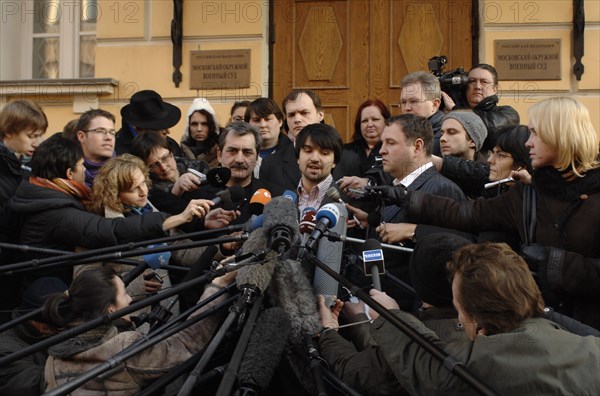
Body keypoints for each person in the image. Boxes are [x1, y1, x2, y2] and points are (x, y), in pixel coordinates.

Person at [367, 97, 600, 329]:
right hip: (543, 327)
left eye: (536, 133)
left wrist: (556, 263)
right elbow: (466, 213)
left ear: (560, 134)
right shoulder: (528, 193)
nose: (528, 143)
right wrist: (407, 198)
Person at [363, 243, 600, 395]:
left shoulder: (487, 361)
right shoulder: (590, 347)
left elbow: (429, 369)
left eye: (459, 307)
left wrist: (389, 316)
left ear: (475, 317)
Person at [7, 135, 212, 285]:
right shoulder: (64, 212)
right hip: (123, 318)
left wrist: (221, 249)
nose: (143, 193)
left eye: (144, 184)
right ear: (115, 193)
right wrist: (133, 285)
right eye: (81, 165)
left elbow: (181, 248)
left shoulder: (147, 206)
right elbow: (108, 233)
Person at [317, 233, 472, 396]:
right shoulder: (485, 320)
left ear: (420, 284)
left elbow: (353, 371)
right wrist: (360, 321)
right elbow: (390, 356)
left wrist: (328, 330)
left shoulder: (424, 341)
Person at [43, 266, 235, 393]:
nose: (130, 299)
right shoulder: (123, 346)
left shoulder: (54, 356)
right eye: (124, 293)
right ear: (110, 308)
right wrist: (218, 286)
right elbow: (186, 344)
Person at [346, 114, 465, 306]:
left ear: (417, 146)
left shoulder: (442, 189)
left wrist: (412, 232)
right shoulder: (395, 188)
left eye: (391, 143)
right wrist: (373, 221)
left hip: (413, 313)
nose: (382, 151)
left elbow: (451, 251)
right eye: (382, 143)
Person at [0, 100, 48, 320]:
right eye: (31, 136)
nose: (37, 142)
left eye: (40, 135)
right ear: (9, 132)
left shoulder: (18, 163)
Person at [0, 277, 68, 396]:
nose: (63, 329)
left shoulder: (53, 334)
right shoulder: (6, 349)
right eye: (59, 325)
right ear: (42, 325)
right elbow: (35, 385)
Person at [437, 124, 532, 199]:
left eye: (501, 155)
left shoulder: (522, 201)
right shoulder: (494, 189)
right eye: (492, 153)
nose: (490, 160)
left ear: (521, 166)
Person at [260, 90, 325, 195]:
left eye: (304, 113)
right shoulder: (270, 164)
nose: (297, 119)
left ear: (320, 115)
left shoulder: (347, 159)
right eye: (291, 115)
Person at [444, 64, 520, 152]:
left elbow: (490, 129)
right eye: (472, 81)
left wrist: (455, 111)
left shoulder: (508, 114)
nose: (477, 87)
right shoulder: (449, 110)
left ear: (495, 89)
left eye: (484, 82)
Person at [335, 99, 390, 182]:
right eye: (364, 121)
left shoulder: (393, 151)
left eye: (375, 119)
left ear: (386, 122)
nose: (370, 124)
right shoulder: (344, 150)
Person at [116, 90, 183, 157]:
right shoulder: (115, 150)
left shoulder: (172, 146)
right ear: (140, 129)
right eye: (159, 127)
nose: (167, 132)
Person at [295, 123, 344, 214]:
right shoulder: (286, 200)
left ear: (334, 162)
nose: (315, 159)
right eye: (308, 151)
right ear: (298, 157)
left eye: (324, 153)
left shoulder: (346, 201)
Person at [400, 71, 445, 155]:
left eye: (414, 101)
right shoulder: (400, 132)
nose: (407, 108)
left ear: (435, 104)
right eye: (403, 102)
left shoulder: (444, 136)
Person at [73, 109, 118, 187]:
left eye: (112, 132)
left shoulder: (124, 173)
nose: (109, 137)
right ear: (82, 136)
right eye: (100, 131)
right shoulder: (66, 171)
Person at [245, 97, 286, 179]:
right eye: (257, 120)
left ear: (280, 121)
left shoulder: (293, 153)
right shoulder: (240, 153)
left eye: (268, 119)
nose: (263, 125)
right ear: (248, 124)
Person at [180, 97, 220, 168]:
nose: (199, 129)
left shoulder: (222, 152)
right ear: (188, 126)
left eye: (204, 124)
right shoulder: (180, 152)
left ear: (211, 126)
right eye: (194, 124)